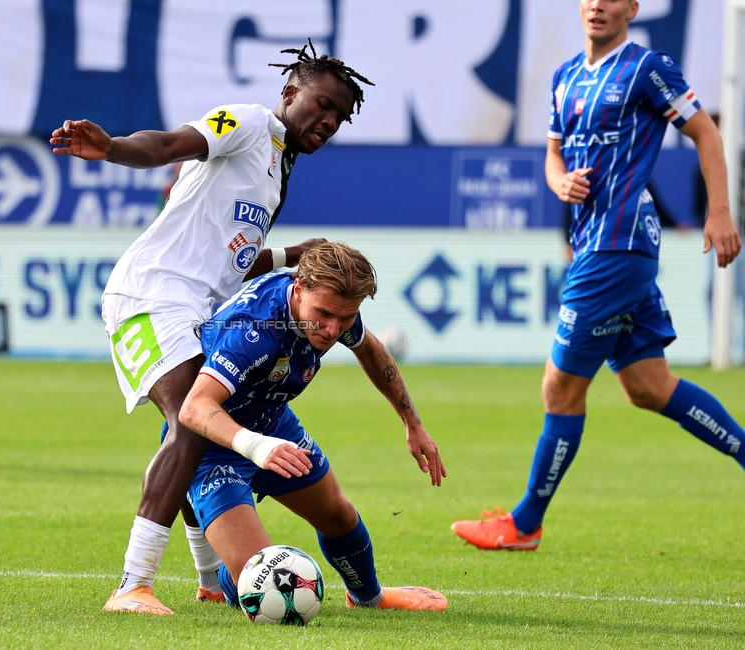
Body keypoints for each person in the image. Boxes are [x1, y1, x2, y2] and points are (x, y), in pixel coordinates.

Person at [49, 41, 374, 613]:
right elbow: (169, 144)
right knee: (192, 421)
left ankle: (207, 581)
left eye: (339, 116)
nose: (328, 120)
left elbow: (235, 263)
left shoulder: (278, 171)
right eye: (322, 104)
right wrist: (114, 148)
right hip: (151, 293)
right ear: (290, 92)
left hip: (200, 309)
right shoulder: (247, 123)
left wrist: (289, 254)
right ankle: (132, 585)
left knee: (198, 425)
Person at [451, 0, 744, 551]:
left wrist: (721, 212)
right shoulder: (565, 76)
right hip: (599, 244)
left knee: (559, 386)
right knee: (648, 386)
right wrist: (559, 182)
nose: (598, 5)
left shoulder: (647, 68)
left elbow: (706, 133)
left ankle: (525, 523)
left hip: (618, 244)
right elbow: (553, 155)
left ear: (632, 8)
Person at [177, 242, 448, 611]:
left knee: (339, 516)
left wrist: (412, 423)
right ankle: (220, 582)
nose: (333, 329)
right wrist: (258, 446)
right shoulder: (254, 330)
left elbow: (369, 348)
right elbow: (194, 407)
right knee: (262, 578)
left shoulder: (333, 309)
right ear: (299, 286)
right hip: (211, 444)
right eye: (324, 314)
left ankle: (369, 598)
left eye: (346, 317)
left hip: (273, 424)